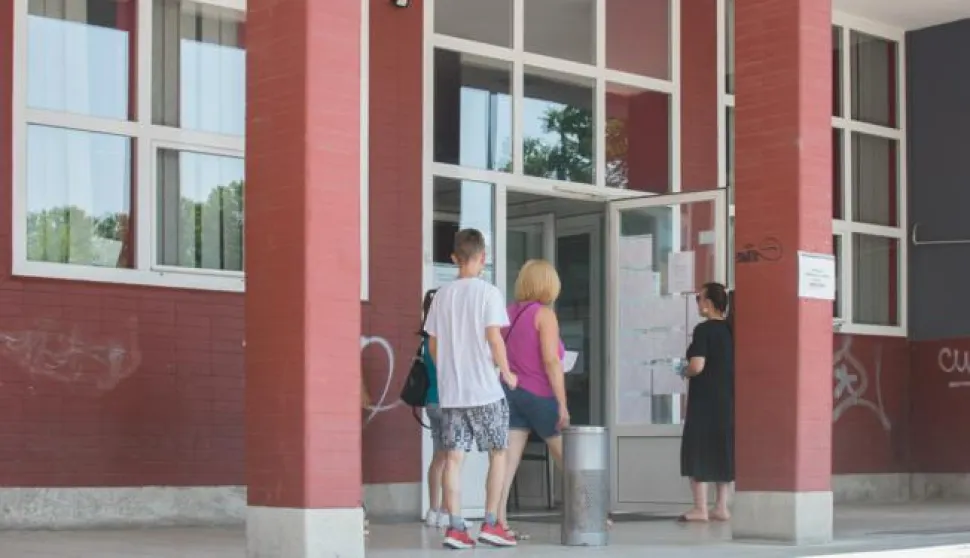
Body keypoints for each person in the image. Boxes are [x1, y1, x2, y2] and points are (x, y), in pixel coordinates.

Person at [424, 228, 519, 549]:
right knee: (499, 453)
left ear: (454, 258)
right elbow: (494, 338)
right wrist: (506, 371)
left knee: (453, 458)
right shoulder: (488, 293)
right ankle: (491, 524)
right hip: (485, 391)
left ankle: (455, 527)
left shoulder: (441, 296)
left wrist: (448, 372)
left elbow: (433, 345)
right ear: (483, 257)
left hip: (452, 393)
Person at [495, 260, 569, 538]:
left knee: (507, 460)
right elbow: (551, 360)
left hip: (510, 393)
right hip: (540, 394)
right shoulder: (544, 315)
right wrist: (561, 402)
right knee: (569, 460)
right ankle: (589, 510)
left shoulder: (507, 314)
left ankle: (497, 520)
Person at [678, 282, 735, 523]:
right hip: (728, 398)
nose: (698, 302)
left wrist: (684, 370)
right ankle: (721, 507)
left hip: (705, 400)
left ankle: (700, 508)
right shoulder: (732, 329)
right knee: (723, 448)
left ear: (709, 303)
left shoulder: (704, 330)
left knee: (698, 448)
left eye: (699, 298)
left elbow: (697, 365)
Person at [421, 289, 451, 529]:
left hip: (432, 400)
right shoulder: (443, 338)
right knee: (453, 457)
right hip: (448, 401)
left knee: (439, 457)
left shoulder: (425, 339)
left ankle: (433, 509)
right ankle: (448, 510)